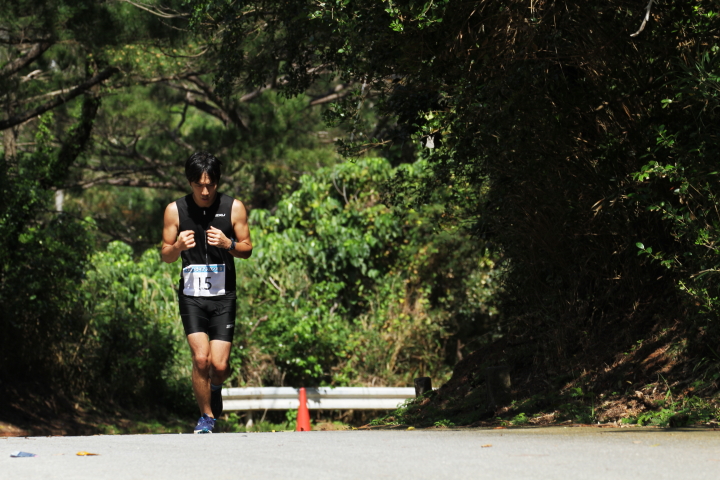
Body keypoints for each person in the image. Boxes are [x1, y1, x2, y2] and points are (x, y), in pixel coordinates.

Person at [161, 151, 252, 434]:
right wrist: (176, 247)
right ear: (189, 182)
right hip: (192, 295)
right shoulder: (175, 210)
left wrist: (228, 243)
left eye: (210, 184)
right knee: (201, 359)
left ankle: (215, 387)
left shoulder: (234, 207)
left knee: (220, 365)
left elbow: (247, 248)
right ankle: (206, 417)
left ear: (217, 182)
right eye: (198, 184)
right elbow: (165, 254)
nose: (204, 190)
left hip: (224, 296)